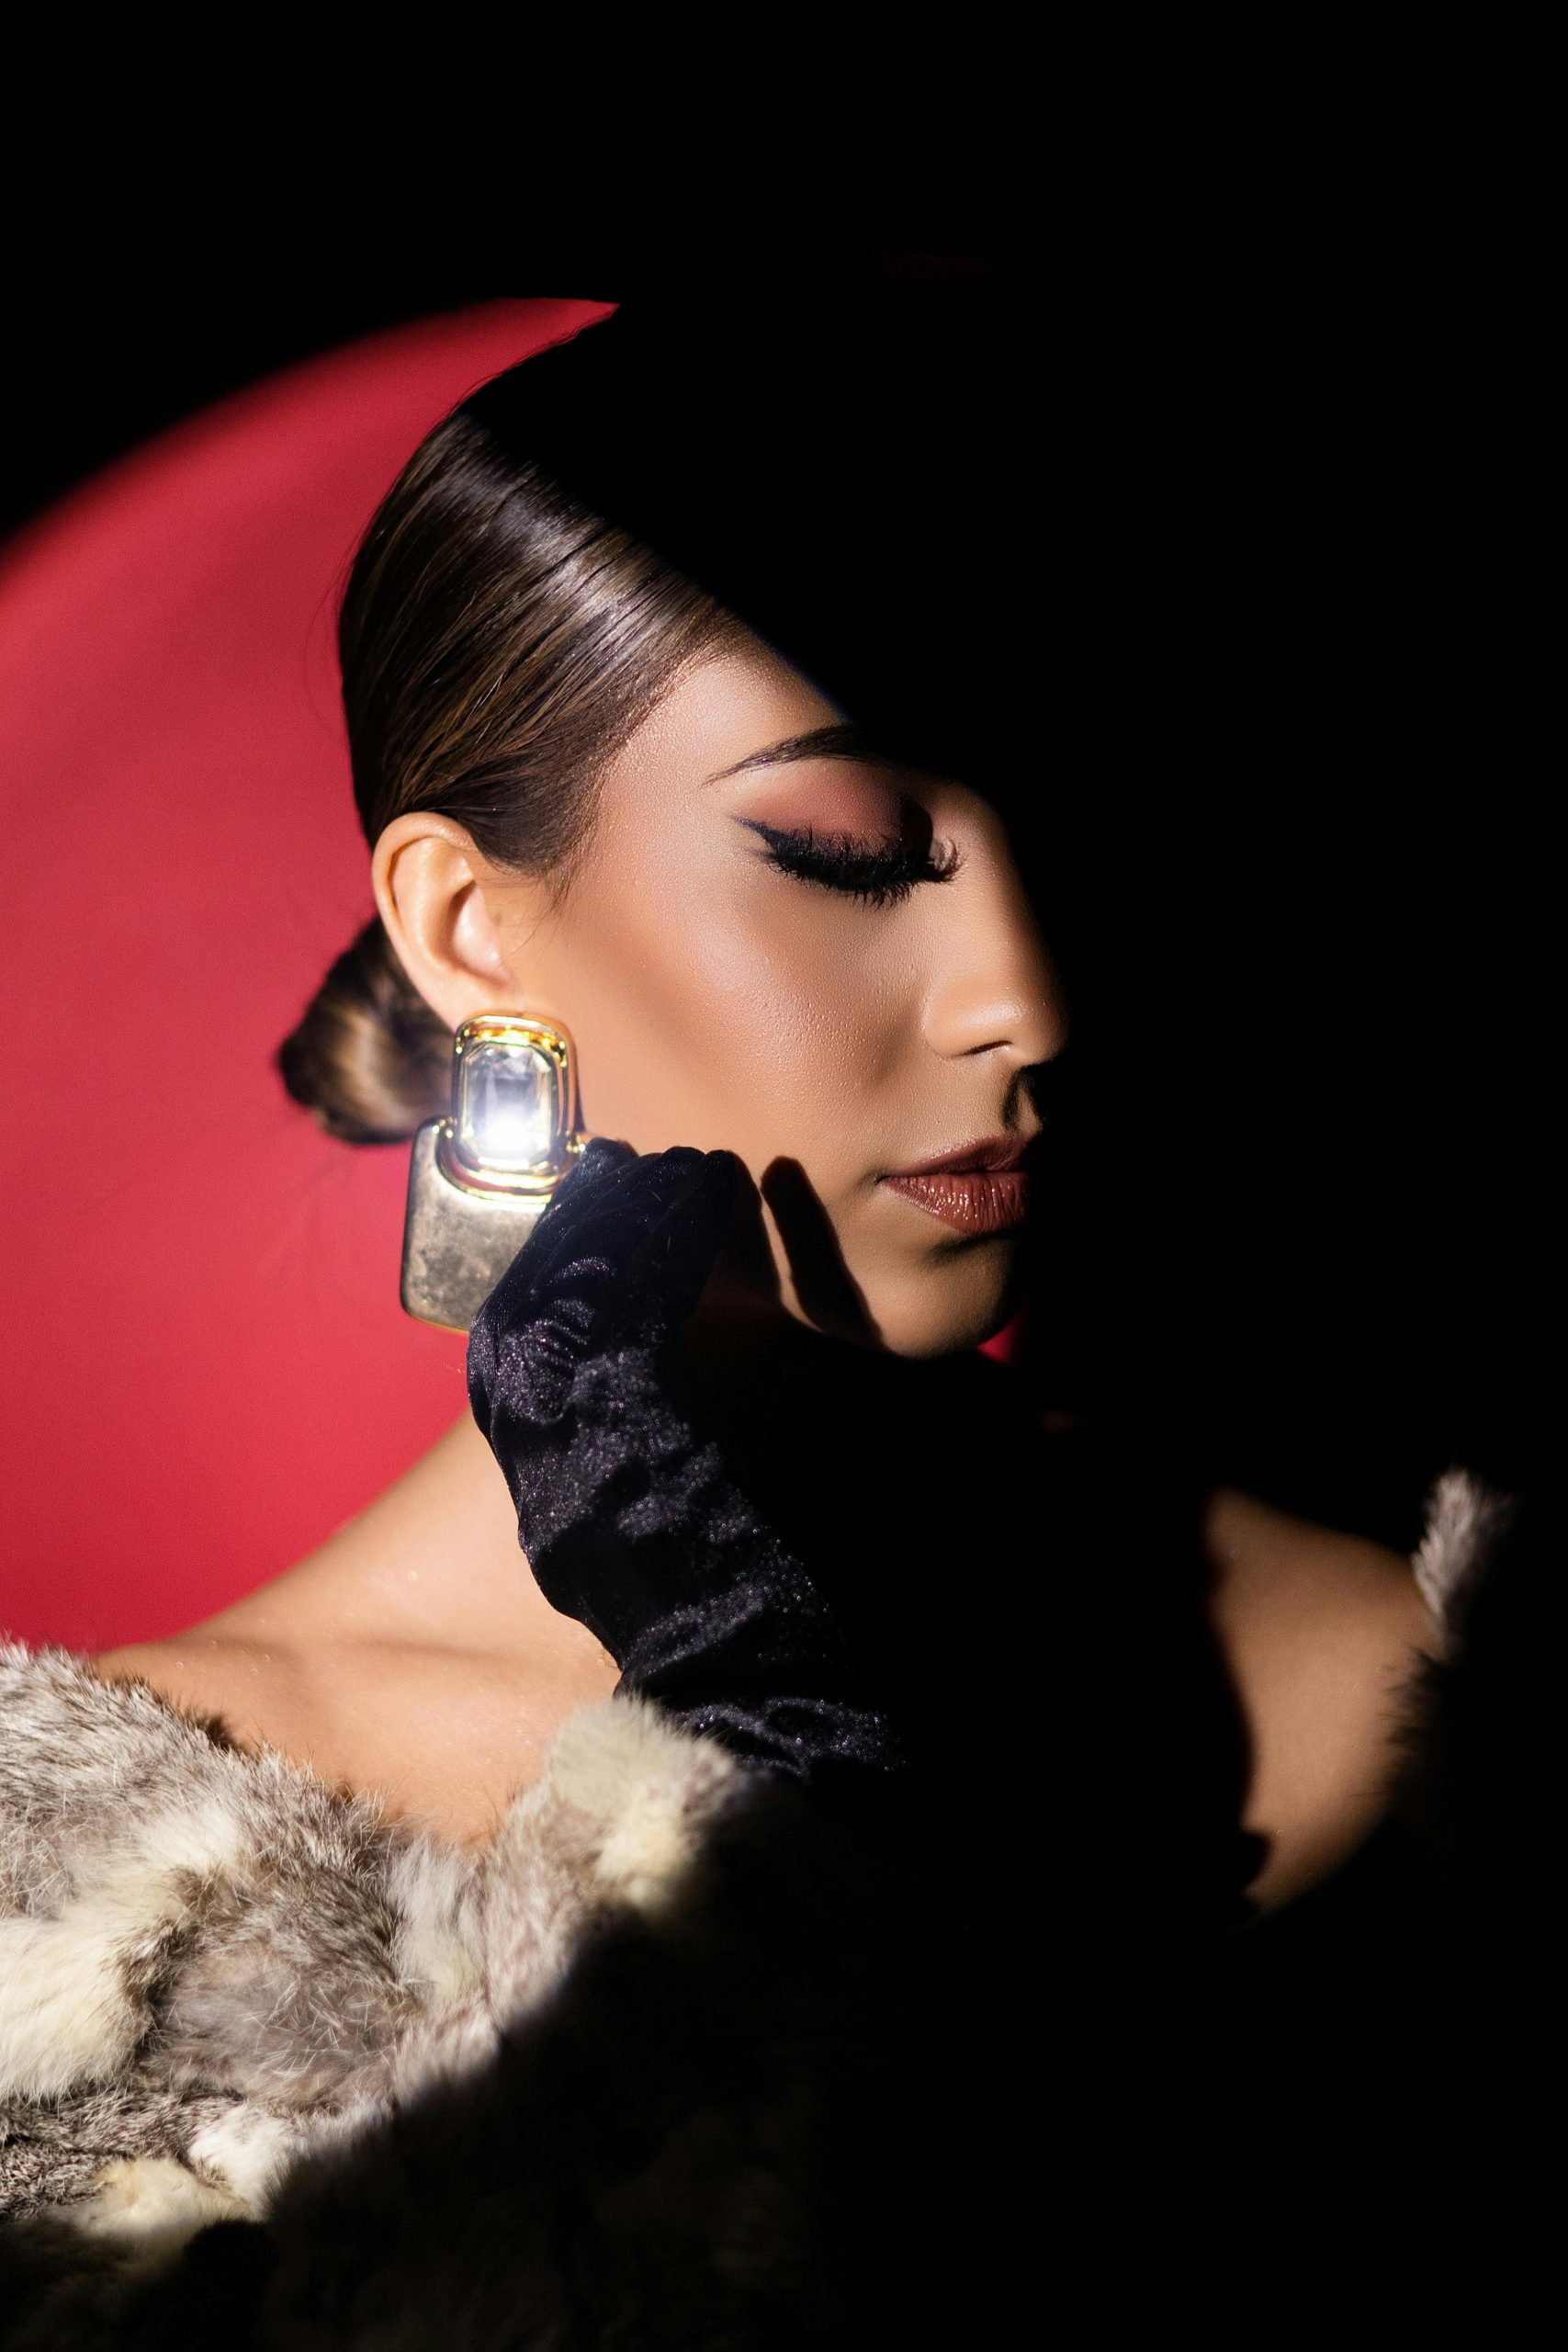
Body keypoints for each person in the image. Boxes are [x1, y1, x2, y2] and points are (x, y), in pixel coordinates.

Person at [1, 278, 1532, 2345]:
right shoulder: (73, 1899)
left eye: (1061, 818)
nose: (1023, 997)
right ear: (470, 931)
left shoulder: (1428, 1681)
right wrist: (758, 1770)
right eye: (843, 853)